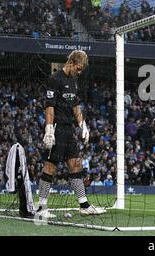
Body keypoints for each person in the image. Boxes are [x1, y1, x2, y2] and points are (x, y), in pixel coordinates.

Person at [37, 50, 106, 218]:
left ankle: (83, 205)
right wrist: (49, 127)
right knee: (50, 167)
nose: (80, 72)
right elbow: (49, 105)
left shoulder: (74, 80)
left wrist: (83, 125)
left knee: (76, 165)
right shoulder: (55, 79)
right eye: (79, 68)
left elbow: (76, 105)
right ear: (72, 62)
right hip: (57, 128)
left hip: (69, 130)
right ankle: (41, 208)